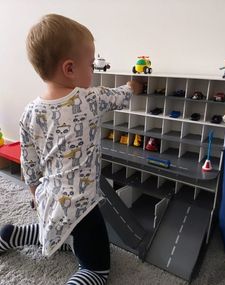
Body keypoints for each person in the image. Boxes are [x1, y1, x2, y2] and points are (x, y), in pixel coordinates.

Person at [0, 14, 143, 284]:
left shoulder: (30, 112)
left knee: (55, 226)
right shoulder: (90, 98)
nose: (94, 70)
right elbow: (120, 96)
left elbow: (28, 162)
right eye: (91, 64)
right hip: (82, 204)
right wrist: (134, 85)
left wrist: (35, 193)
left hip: (48, 195)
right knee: (97, 266)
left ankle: (12, 235)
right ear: (69, 69)